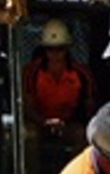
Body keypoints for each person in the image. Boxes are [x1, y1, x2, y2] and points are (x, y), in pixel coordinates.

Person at [22, 18, 99, 147]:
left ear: (67, 48)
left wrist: (70, 124)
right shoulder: (30, 72)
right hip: (38, 123)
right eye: (50, 49)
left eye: (60, 49)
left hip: (69, 124)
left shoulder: (82, 74)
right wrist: (45, 122)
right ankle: (31, 167)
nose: (55, 54)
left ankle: (76, 167)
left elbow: (89, 107)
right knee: (29, 134)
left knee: (82, 135)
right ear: (44, 50)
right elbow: (26, 105)